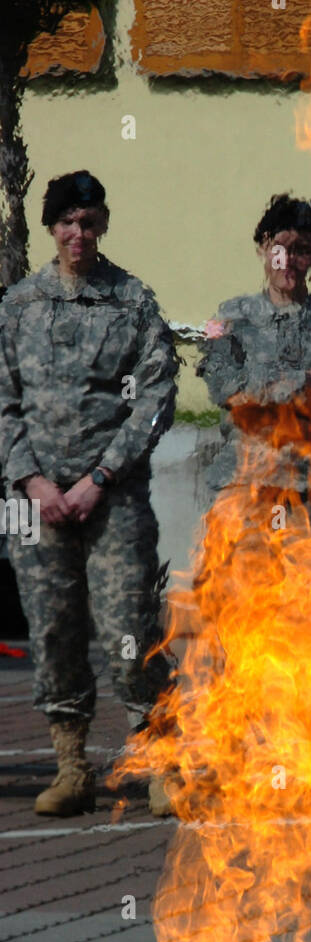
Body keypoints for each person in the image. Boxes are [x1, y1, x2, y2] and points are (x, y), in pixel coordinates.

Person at [0, 170, 178, 817]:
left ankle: (161, 761)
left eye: (90, 221)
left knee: (128, 632)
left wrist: (98, 479)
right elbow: (4, 401)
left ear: (103, 225)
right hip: (36, 503)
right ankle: (72, 768)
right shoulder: (19, 305)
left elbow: (156, 397)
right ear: (52, 228)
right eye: (68, 222)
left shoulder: (130, 301)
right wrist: (34, 481)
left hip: (113, 502)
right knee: (52, 632)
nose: (79, 233)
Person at [197, 193, 311, 517]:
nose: (288, 261)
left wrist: (268, 392)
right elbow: (226, 389)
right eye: (281, 249)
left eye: (302, 251)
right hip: (247, 485)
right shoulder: (230, 317)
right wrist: (306, 382)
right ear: (263, 247)